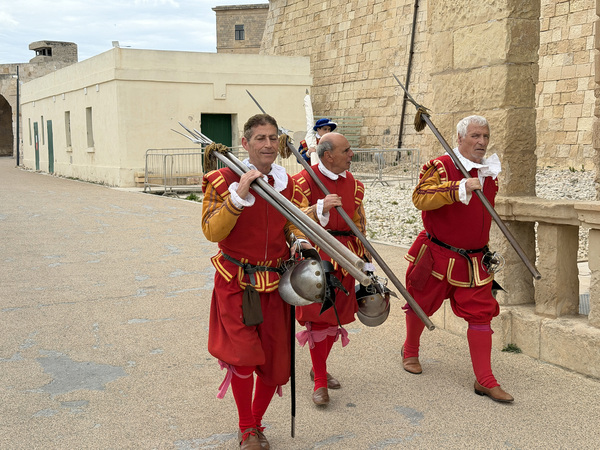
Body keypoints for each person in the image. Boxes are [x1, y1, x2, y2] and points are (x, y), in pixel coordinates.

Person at [201, 114, 314, 449]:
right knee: (243, 356)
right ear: (245, 143)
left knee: (276, 364)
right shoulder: (220, 180)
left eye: (272, 138)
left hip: (277, 284)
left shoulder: (287, 184)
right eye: (260, 138)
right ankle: (248, 428)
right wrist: (238, 195)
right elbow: (212, 231)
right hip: (237, 282)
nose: (268, 144)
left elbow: (292, 222)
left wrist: (299, 240)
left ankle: (256, 421)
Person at [401, 115, 513, 403]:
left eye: (485, 136)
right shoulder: (440, 166)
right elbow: (420, 197)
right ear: (460, 138)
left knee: (481, 314)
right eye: (475, 136)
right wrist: (458, 188)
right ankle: (410, 350)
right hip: (437, 255)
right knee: (419, 303)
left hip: (475, 261)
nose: (482, 142)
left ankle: (485, 379)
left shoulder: (489, 170)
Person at [292, 132, 372, 406]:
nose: (352, 154)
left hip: (347, 258)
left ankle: (319, 368)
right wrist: (319, 208)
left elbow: (359, 223)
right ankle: (320, 381)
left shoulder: (355, 185)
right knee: (318, 317)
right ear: (328, 156)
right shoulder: (303, 181)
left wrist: (367, 260)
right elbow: (290, 218)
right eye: (346, 150)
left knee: (334, 317)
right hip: (317, 255)